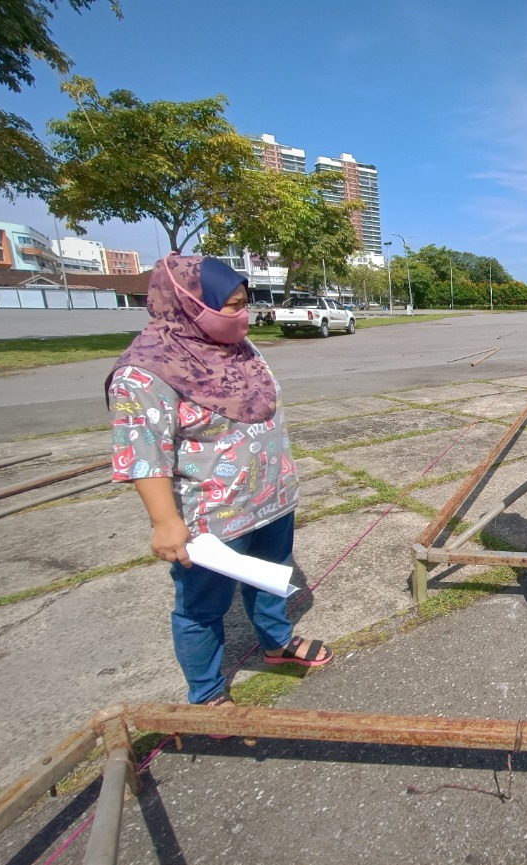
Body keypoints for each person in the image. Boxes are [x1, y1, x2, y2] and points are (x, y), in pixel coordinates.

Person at [107, 254, 331, 712]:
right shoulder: (144, 371)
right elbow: (142, 451)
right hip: (209, 519)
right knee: (201, 607)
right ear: (188, 301)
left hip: (270, 498)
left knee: (271, 579)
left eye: (244, 303)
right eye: (230, 306)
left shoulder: (241, 348)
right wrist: (164, 522)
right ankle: (207, 694)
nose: (241, 315)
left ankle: (276, 641)